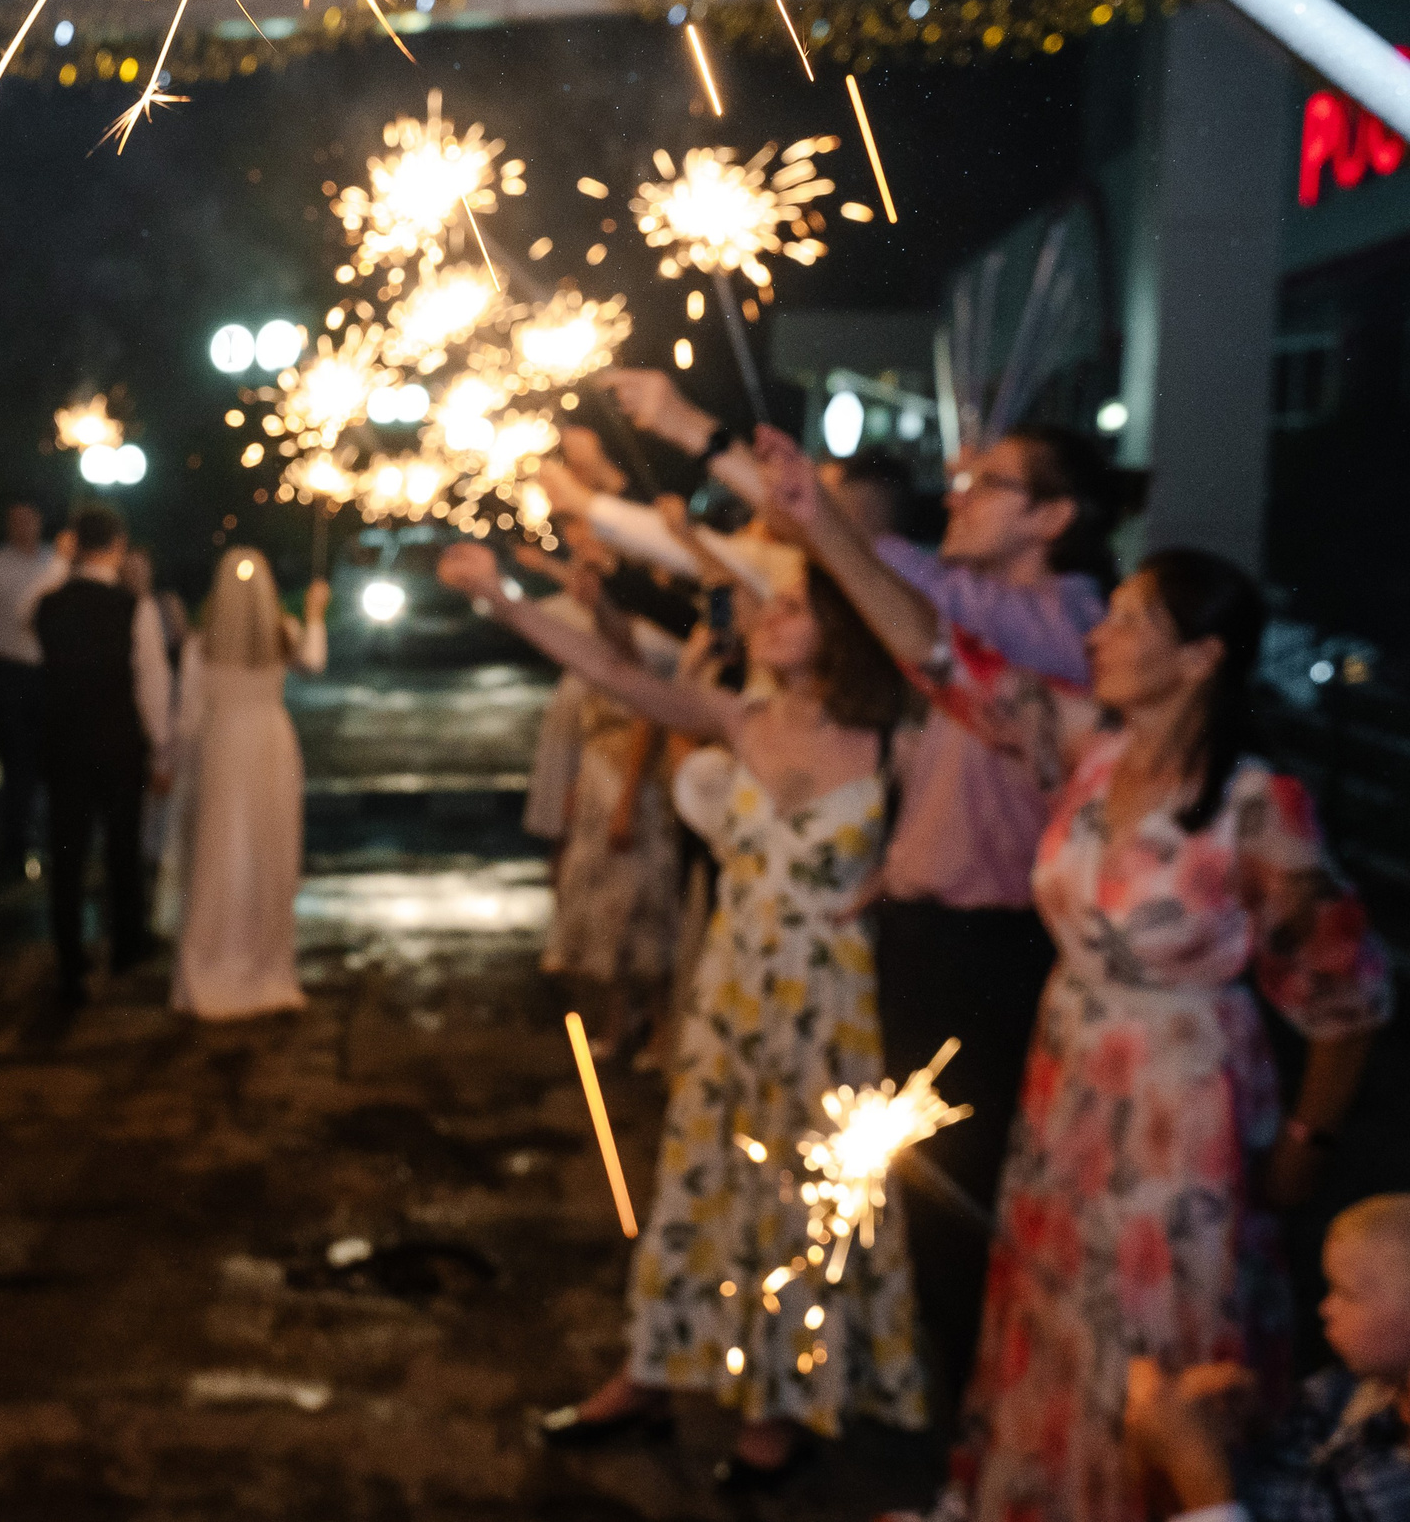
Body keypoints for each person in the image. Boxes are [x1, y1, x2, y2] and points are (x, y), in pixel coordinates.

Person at [756, 434, 1391, 1522]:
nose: (1098, 630)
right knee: (1054, 1311)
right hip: (1070, 1086)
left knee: (1149, 1325)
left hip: (1177, 1107)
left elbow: (1350, 991)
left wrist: (1304, 1146)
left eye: (1132, 620)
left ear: (1197, 658)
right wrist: (821, 522)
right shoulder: (1085, 750)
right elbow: (938, 658)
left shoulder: (1255, 806)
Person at [611, 366, 1123, 1408]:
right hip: (918, 929)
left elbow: (874, 572)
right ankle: (918, 1406)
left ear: (1055, 516)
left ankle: (985, 1428)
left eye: (988, 486)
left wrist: (691, 428)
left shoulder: (1059, 616)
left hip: (993, 948)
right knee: (903, 1192)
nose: (958, 497)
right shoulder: (976, 614)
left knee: (962, 1196)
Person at [440, 512, 926, 1485]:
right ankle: (652, 1367)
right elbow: (617, 676)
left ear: (841, 620)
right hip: (734, 988)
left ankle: (778, 1400)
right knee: (698, 1178)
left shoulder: (896, 740)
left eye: (789, 602)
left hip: (831, 1008)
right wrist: (501, 600)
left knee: (802, 1199)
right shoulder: (741, 716)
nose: (765, 615)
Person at [1124, 1194, 1410, 1522]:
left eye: (1348, 1294)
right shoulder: (1347, 1388)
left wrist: (1193, 1466)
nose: (1325, 1308)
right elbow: (1303, 1472)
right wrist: (1258, 1422)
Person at [511, 545, 685, 1059]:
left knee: (644, 907)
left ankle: (657, 1028)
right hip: (595, 775)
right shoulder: (595, 642)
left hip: (633, 782)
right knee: (604, 908)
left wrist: (628, 799)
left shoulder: (647, 645)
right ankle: (616, 1022)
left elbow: (645, 723)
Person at [165, 548, 326, 1021]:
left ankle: (208, 962)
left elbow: (189, 716)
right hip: (270, 747)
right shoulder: (284, 634)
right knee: (267, 852)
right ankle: (264, 966)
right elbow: (314, 662)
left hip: (223, 747)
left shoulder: (200, 644)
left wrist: (181, 764)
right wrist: (315, 614)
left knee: (217, 853)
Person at [33, 507, 173, 1007]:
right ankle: (126, 946)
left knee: (67, 856)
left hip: (64, 745)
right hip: (117, 744)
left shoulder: (48, 604)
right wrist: (162, 750)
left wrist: (59, 564)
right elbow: (150, 684)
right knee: (122, 850)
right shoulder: (134, 607)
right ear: (118, 545)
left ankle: (71, 959)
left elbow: (24, 617)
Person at [0, 502, 58, 879]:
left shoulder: (54, 562)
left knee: (48, 762)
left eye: (28, 518)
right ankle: (14, 848)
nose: (21, 526)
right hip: (9, 672)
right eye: (14, 520)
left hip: (48, 673)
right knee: (16, 763)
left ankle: (49, 842)